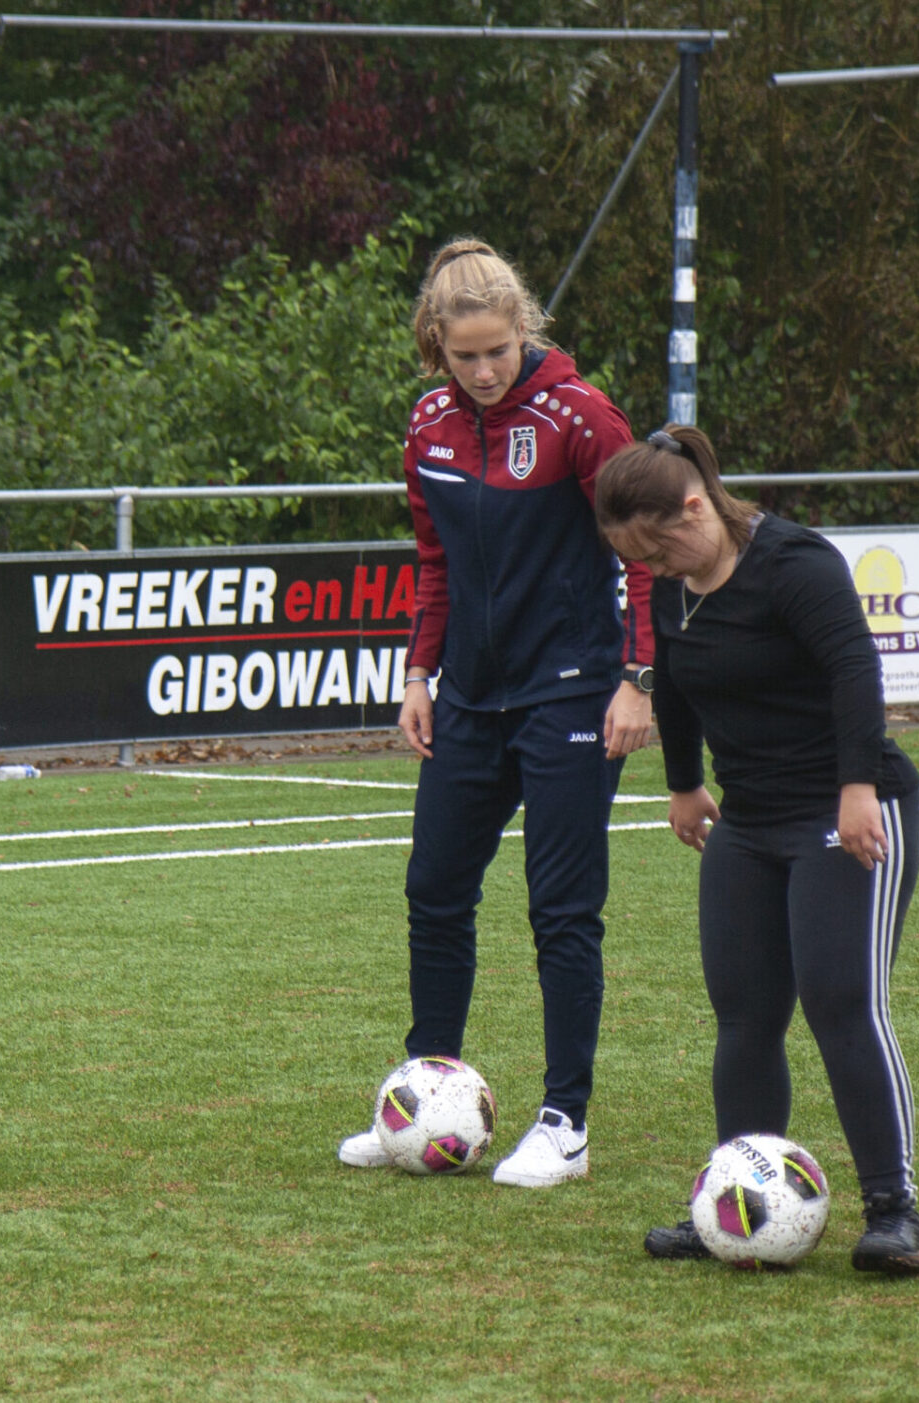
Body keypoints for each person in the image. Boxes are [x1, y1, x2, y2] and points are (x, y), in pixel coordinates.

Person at [338, 237, 656, 1187]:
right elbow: (434, 561)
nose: (482, 371)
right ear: (435, 343)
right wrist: (418, 676)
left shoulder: (582, 416)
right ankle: (422, 1088)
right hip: (468, 700)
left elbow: (646, 548)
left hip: (571, 694)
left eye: (497, 351)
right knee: (433, 890)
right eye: (463, 354)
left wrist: (639, 677)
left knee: (561, 911)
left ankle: (566, 1123)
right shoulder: (428, 423)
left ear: (524, 328)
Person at [595, 424, 919, 1275]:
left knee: (841, 1000)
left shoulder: (795, 564)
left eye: (659, 552)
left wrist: (858, 786)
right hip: (748, 817)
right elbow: (671, 676)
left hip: (845, 807)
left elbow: (856, 668)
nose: (657, 573)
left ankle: (894, 1211)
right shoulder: (674, 586)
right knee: (745, 1014)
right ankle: (735, 1202)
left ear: (695, 506)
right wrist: (682, 782)